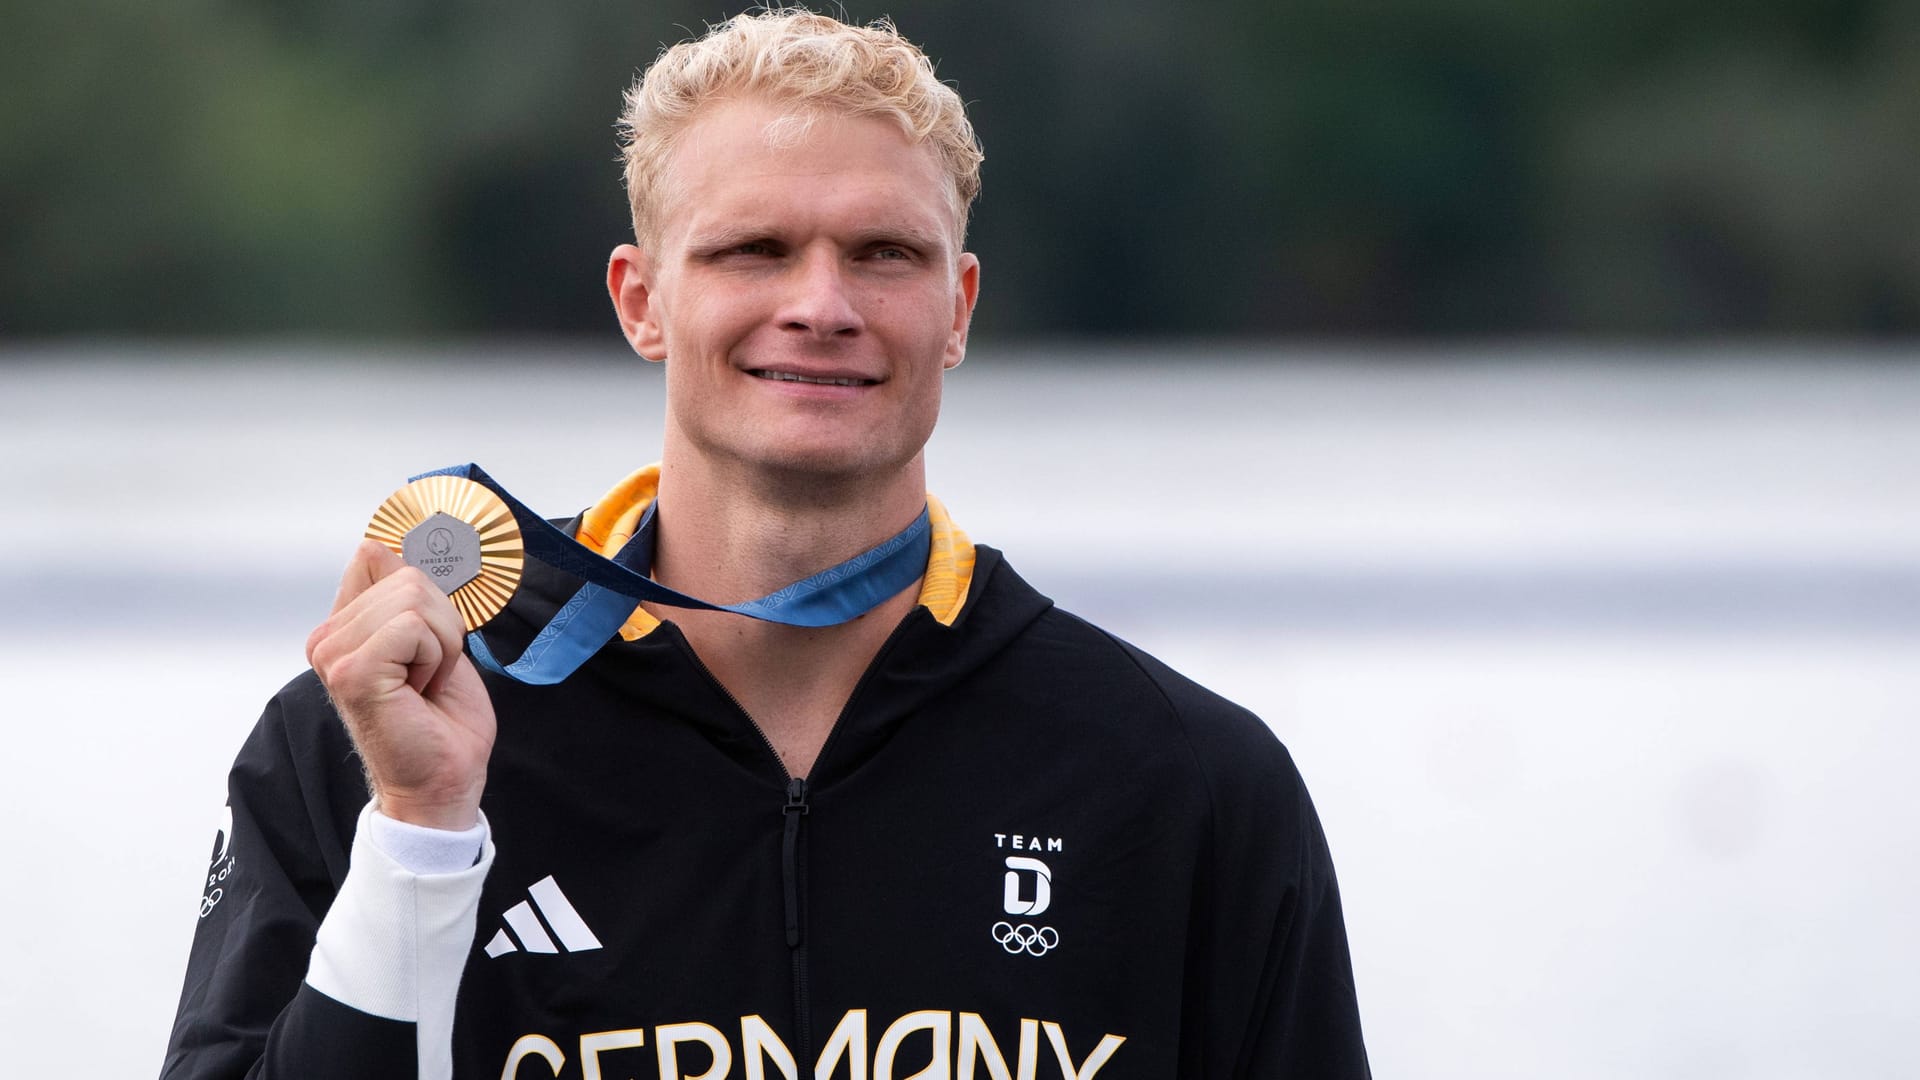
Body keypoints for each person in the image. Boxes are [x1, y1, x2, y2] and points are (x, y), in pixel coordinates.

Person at [161, 9, 1370, 1079]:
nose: (823, 305)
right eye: (754, 251)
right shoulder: (371, 741)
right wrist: (421, 837)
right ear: (642, 301)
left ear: (958, 309)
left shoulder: (1185, 780)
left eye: (885, 254)